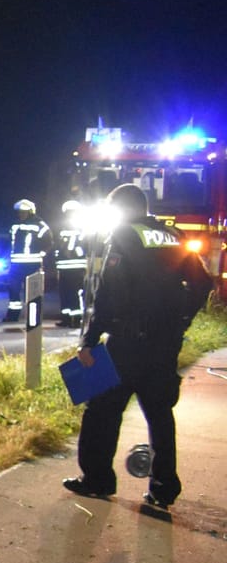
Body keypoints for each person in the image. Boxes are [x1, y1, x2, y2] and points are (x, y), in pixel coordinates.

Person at [62, 183, 212, 512]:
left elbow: (108, 295)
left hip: (127, 346)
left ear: (121, 210)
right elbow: (203, 282)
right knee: (160, 415)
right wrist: (182, 320)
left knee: (102, 411)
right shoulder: (173, 236)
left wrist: (89, 340)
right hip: (165, 344)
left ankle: (97, 480)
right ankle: (163, 488)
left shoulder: (123, 236)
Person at [5, 198, 50, 323]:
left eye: (24, 212)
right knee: (13, 290)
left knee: (33, 292)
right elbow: (9, 242)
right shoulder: (14, 225)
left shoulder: (40, 225)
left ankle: (33, 318)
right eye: (20, 212)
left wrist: (41, 254)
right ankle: (13, 315)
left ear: (30, 212)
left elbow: (48, 242)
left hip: (32, 264)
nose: (21, 214)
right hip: (16, 264)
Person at [50, 199, 89, 327]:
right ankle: (66, 318)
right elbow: (58, 245)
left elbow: (84, 245)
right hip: (63, 266)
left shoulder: (82, 226)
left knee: (74, 293)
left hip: (76, 266)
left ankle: (76, 319)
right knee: (64, 293)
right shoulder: (63, 227)